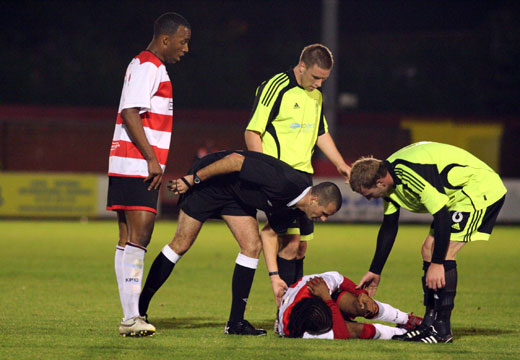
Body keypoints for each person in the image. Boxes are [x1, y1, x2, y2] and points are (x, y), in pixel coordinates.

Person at [138, 150, 343, 335]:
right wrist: (194, 179)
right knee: (181, 244)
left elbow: (269, 236)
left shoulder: (294, 208)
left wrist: (274, 278)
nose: (323, 219)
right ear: (314, 199)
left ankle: (235, 323)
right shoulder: (285, 182)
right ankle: (139, 309)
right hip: (210, 184)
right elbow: (235, 161)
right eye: (324, 214)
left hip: (236, 197)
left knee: (252, 246)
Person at [349, 141, 507, 343]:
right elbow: (389, 225)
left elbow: (442, 216)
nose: (370, 200)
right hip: (459, 195)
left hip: (479, 190)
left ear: (380, 182)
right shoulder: (389, 180)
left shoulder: (409, 175)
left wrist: (438, 263)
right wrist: (375, 270)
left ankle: (442, 330)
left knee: (444, 252)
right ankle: (429, 323)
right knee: (427, 249)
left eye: (369, 195)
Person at [106, 12, 191, 337]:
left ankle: (131, 315)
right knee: (139, 237)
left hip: (128, 162)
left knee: (129, 238)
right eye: (183, 41)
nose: (185, 48)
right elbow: (129, 111)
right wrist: (152, 159)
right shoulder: (148, 66)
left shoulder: (145, 65)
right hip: (136, 163)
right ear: (166, 39)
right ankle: (132, 316)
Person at [244, 43, 351, 300]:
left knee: (301, 247)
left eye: (324, 79)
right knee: (290, 245)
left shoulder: (316, 95)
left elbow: (320, 133)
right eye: (315, 77)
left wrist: (341, 164)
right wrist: (264, 174)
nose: (319, 84)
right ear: (301, 66)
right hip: (279, 179)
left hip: (304, 178)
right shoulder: (276, 86)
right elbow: (252, 132)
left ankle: (294, 308)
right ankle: (287, 312)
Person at [278, 271, 423, 340]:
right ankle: (402, 334)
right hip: (324, 303)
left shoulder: (315, 286)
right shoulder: (296, 332)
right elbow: (341, 334)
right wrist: (328, 300)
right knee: (355, 330)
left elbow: (337, 277)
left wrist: (361, 292)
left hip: (325, 299)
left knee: (363, 306)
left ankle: (406, 319)